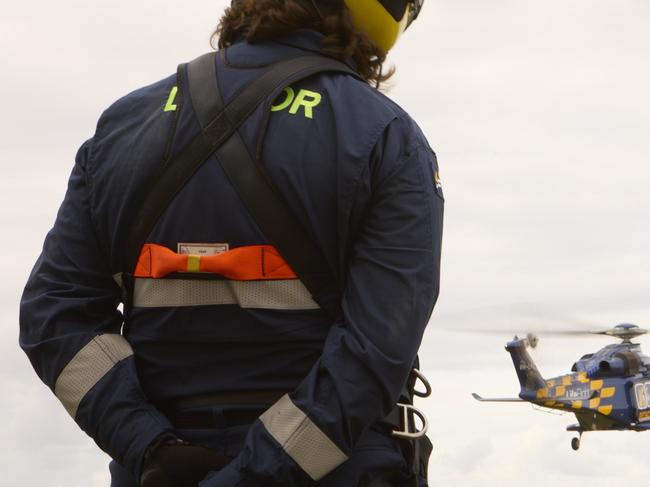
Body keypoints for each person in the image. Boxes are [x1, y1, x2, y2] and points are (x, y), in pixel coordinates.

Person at [19, 0, 443, 485]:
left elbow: (53, 314)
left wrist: (147, 444)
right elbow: (376, 351)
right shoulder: (386, 137)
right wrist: (251, 475)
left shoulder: (123, 126)